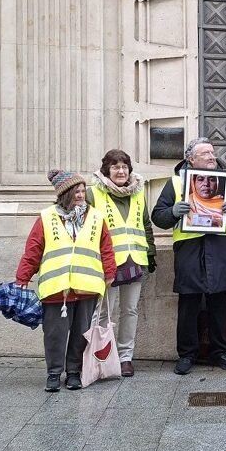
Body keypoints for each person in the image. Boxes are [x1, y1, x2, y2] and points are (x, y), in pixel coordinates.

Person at [151, 137, 226, 375]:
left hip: (220, 249)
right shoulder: (176, 183)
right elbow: (158, 216)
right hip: (190, 251)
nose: (212, 156)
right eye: (205, 153)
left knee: (219, 304)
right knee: (188, 304)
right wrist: (173, 211)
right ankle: (186, 355)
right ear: (191, 158)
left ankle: (221, 351)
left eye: (213, 152)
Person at [16, 169, 116, 392]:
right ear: (64, 195)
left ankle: (73, 372)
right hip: (56, 288)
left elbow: (106, 249)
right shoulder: (46, 217)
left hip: (87, 286)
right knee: (55, 334)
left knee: (82, 333)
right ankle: (54, 373)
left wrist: (110, 273)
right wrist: (22, 277)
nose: (81, 195)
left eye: (82, 191)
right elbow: (33, 250)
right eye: (76, 192)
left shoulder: (96, 217)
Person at [87, 149, 157, 377]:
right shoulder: (93, 193)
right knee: (105, 312)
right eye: (115, 167)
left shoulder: (137, 193)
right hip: (106, 263)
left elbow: (145, 225)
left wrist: (151, 253)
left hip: (134, 260)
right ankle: (105, 356)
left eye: (124, 167)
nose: (120, 171)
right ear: (107, 169)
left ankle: (126, 357)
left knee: (130, 310)